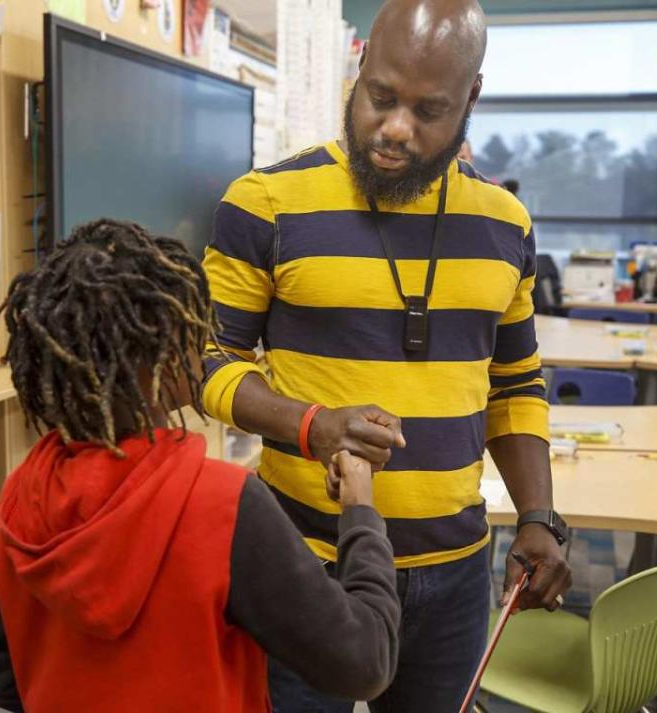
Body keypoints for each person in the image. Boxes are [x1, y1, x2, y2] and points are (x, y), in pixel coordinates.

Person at [201, 0, 572, 710]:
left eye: (429, 110)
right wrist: (314, 424)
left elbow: (516, 385)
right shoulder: (265, 203)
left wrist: (538, 515)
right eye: (381, 97)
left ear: (472, 98)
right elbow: (206, 361)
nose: (396, 129)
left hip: (458, 572)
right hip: (303, 565)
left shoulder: (506, 224)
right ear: (361, 61)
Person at [0, 219, 400, 712]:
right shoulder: (222, 503)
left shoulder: (25, 487)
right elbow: (364, 663)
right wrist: (360, 514)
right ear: (168, 363)